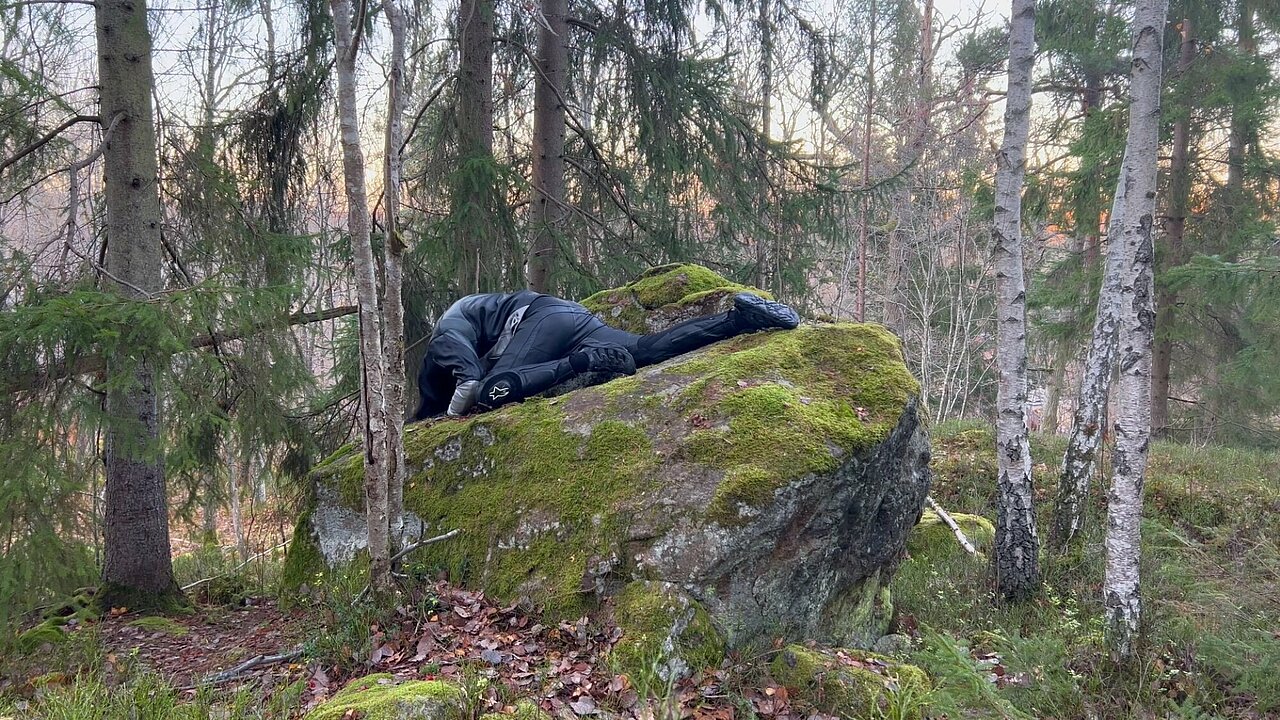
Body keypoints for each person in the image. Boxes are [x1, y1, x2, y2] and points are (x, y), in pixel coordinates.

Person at [413, 290, 801, 420]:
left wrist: (453, 413)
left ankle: (585, 362)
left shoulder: (445, 334)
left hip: (542, 320)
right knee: (647, 351)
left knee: (491, 392)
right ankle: (739, 320)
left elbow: (468, 383)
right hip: (570, 318)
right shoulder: (475, 324)